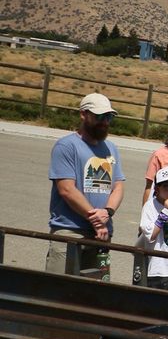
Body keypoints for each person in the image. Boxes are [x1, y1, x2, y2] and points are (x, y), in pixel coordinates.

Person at [46, 93, 125, 277]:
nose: (104, 122)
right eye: (99, 116)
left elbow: (118, 187)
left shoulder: (111, 148)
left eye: (108, 117)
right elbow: (66, 189)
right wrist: (95, 220)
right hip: (70, 231)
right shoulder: (66, 146)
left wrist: (107, 212)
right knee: (59, 292)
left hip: (102, 233)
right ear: (83, 114)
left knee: (92, 296)